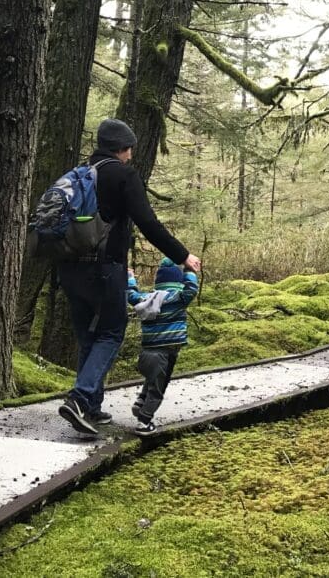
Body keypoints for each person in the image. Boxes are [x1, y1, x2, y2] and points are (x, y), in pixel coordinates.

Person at [57, 118, 200, 436]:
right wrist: (183, 255)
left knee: (88, 338)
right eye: (130, 150)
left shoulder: (78, 174)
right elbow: (148, 223)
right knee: (111, 333)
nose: (131, 156)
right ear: (123, 148)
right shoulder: (122, 174)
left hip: (67, 268)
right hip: (104, 268)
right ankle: (80, 399)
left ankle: (90, 407)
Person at [127, 258, 199, 435]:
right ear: (177, 281)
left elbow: (131, 294)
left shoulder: (146, 299)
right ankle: (144, 422)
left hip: (146, 353)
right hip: (166, 353)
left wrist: (130, 278)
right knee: (158, 389)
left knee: (152, 380)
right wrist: (190, 270)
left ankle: (140, 402)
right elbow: (191, 289)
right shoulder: (178, 298)